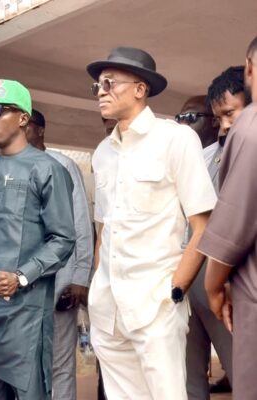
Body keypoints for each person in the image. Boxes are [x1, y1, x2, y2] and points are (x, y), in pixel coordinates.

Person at [86, 46, 217, 399]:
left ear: (140, 89)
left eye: (110, 83)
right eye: (97, 85)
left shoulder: (176, 139)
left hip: (156, 304)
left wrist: (175, 291)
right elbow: (104, 230)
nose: (101, 92)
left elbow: (203, 227)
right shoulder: (103, 152)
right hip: (108, 309)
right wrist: (99, 288)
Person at [0, 79, 76, 400]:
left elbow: (63, 239)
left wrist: (21, 277)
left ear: (23, 118)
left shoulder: (47, 168)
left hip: (22, 317)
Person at [198, 36, 257, 400]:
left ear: (250, 68)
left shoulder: (251, 128)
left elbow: (231, 229)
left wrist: (213, 286)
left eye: (230, 114)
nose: (224, 126)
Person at [25, 109, 93, 400]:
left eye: (26, 124)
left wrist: (80, 277)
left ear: (41, 130)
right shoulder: (7, 165)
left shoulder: (63, 164)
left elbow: (81, 222)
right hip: (22, 285)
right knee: (25, 365)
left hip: (60, 280)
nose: (20, 129)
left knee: (60, 363)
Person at [177, 92, 241, 399]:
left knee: (239, 366)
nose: (183, 124)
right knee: (189, 376)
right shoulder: (181, 162)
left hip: (219, 276)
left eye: (191, 118)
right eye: (179, 118)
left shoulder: (236, 156)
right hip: (182, 276)